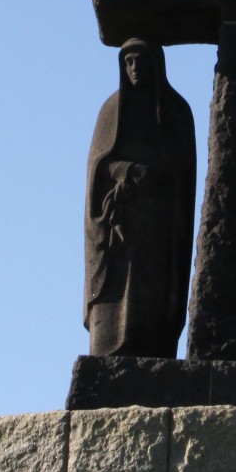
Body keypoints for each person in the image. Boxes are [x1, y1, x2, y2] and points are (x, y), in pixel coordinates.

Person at [84, 39, 198, 357]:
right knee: (117, 293)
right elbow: (98, 166)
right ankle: (109, 349)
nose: (135, 69)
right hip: (121, 220)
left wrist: (156, 178)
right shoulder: (111, 110)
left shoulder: (175, 111)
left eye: (141, 61)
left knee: (151, 295)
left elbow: (182, 171)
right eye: (129, 62)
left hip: (158, 222)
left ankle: (152, 346)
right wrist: (128, 171)